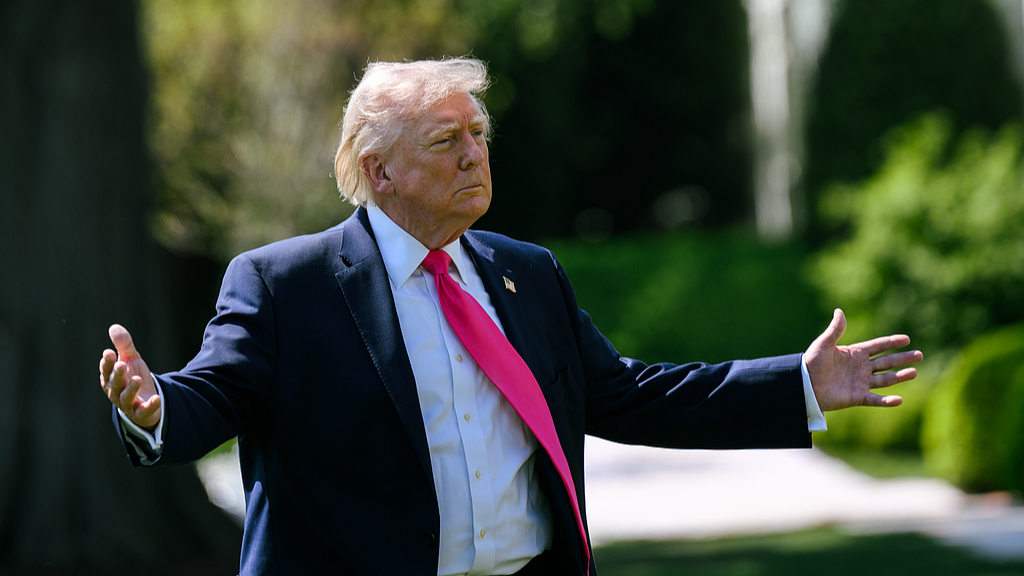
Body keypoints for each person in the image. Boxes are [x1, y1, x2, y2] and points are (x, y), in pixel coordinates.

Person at [98, 57, 922, 576]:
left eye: (477, 133)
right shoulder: (285, 283)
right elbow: (217, 392)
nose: (474, 155)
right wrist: (154, 406)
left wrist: (797, 385)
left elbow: (628, 395)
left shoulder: (526, 273)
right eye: (445, 141)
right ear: (380, 172)